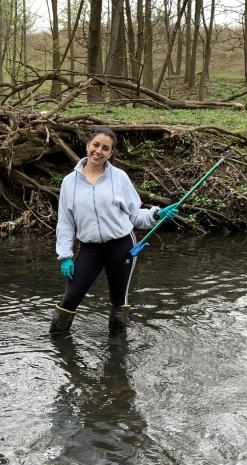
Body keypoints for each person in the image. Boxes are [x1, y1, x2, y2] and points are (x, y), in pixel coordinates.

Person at [50, 128, 179, 335]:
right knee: (70, 298)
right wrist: (65, 255)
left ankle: (118, 350)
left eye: (105, 148)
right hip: (88, 249)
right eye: (96, 145)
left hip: (121, 247)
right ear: (88, 145)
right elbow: (66, 223)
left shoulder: (119, 178)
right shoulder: (69, 182)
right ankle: (57, 343)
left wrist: (156, 215)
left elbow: (135, 215)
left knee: (119, 300)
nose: (99, 151)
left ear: (110, 153)